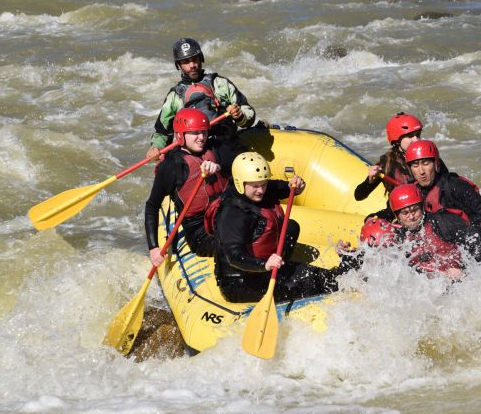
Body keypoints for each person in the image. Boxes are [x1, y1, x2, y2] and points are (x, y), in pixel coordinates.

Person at [213, 152, 341, 303]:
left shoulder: (261, 189)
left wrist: (295, 185)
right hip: (241, 282)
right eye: (255, 186)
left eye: (263, 184)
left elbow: (283, 187)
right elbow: (234, 256)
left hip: (268, 268)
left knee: (323, 276)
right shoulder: (233, 214)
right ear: (240, 182)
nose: (261, 190)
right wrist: (264, 265)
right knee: (308, 284)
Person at [144, 108, 235, 266]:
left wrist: (219, 167)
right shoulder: (172, 166)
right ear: (180, 135)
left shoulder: (214, 148)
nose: (201, 138)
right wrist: (154, 248)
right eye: (195, 133)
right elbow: (152, 206)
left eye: (204, 132)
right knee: (236, 244)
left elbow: (236, 168)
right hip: (201, 233)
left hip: (227, 216)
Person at [147, 37, 256, 161]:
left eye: (195, 59)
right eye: (186, 62)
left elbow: (248, 112)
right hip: (194, 153)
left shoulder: (220, 84)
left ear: (201, 59)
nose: (192, 65)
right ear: (179, 65)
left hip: (224, 144)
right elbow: (162, 132)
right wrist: (156, 147)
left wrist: (240, 116)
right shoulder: (174, 97)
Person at [388, 183, 481, 280]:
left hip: (463, 279)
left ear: (422, 208)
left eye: (415, 210)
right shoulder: (400, 238)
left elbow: (480, 246)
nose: (411, 216)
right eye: (405, 213)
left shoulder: (443, 222)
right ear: (397, 216)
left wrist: (466, 271)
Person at [404, 140, 481, 227]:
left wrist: (460, 227)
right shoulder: (414, 191)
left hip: (465, 236)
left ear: (436, 164)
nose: (421, 171)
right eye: (415, 166)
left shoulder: (454, 185)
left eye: (426, 164)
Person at [354, 112, 424, 201]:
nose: (416, 140)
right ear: (397, 139)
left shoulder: (429, 157)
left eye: (418, 135)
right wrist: (370, 180)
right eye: (410, 136)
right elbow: (359, 196)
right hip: (399, 211)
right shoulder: (387, 165)